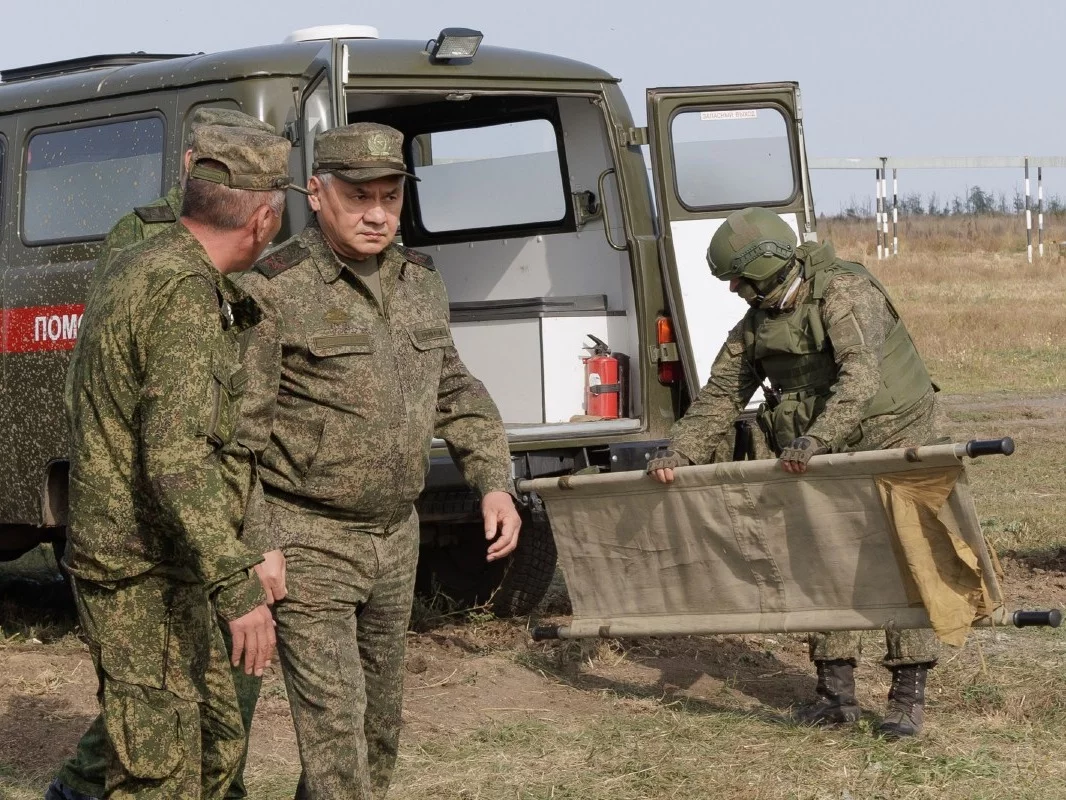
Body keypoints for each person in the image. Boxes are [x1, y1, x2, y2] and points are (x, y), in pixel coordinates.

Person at [236, 122, 522, 799]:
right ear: (315, 192)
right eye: (358, 196)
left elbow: (456, 389)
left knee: (378, 729)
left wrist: (493, 482)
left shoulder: (418, 281)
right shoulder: (275, 287)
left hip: (396, 538)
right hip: (308, 538)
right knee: (334, 730)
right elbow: (235, 436)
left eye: (389, 197)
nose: (376, 214)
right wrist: (257, 541)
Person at [51, 123, 297, 799]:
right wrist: (238, 583)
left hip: (165, 560)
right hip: (138, 570)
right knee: (158, 772)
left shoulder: (148, 261)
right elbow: (176, 458)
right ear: (265, 217)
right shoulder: (181, 291)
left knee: (216, 743)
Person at [647, 206, 941, 739]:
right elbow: (719, 396)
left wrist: (816, 439)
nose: (733, 287)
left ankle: (905, 699)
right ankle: (836, 697)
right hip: (818, 448)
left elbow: (860, 381)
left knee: (903, 559)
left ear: (764, 265)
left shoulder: (846, 294)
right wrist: (680, 453)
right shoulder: (758, 322)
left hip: (896, 436)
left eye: (737, 276)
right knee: (820, 557)